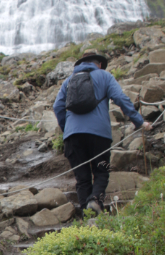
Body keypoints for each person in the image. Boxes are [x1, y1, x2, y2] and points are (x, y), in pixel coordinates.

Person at [53, 52, 151, 214]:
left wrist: (67, 130)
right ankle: (95, 201)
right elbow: (120, 98)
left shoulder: (69, 81)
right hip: (99, 135)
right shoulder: (104, 76)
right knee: (101, 172)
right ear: (98, 64)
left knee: (82, 179)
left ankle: (87, 216)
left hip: (73, 136)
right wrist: (139, 121)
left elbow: (57, 107)